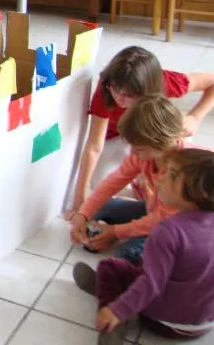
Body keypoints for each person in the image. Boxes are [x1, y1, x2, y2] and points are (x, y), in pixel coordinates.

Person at [72, 147, 214, 345]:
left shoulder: (169, 231)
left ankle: (114, 318)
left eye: (172, 175)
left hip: (163, 322)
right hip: (204, 324)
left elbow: (151, 283)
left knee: (110, 266)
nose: (160, 177)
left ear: (202, 193)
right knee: (150, 264)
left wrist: (117, 310)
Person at [68, 46, 214, 217]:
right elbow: (94, 145)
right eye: (116, 89)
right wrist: (80, 197)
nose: (120, 98)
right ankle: (143, 187)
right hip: (121, 138)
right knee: (101, 181)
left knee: (175, 180)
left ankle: (150, 187)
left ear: (149, 90)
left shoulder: (166, 82)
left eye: (130, 95)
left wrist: (195, 117)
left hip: (152, 135)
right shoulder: (107, 89)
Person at [70, 95, 186, 265]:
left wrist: (116, 232)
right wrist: (83, 213)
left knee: (128, 253)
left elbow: (162, 219)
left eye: (138, 148)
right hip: (155, 212)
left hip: (178, 229)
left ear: (162, 142)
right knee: (100, 207)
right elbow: (112, 182)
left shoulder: (183, 169)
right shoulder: (143, 156)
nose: (132, 152)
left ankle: (121, 283)